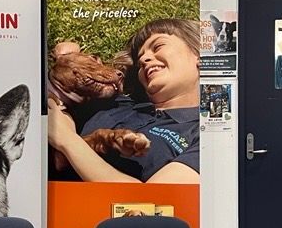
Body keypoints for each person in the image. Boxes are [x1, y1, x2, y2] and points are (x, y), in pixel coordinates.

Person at [48, 18, 200, 184]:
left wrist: (66, 139)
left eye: (158, 46)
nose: (144, 59)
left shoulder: (203, 136)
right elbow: (66, 86)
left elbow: (151, 201)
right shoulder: (117, 103)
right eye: (140, 59)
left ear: (201, 57)